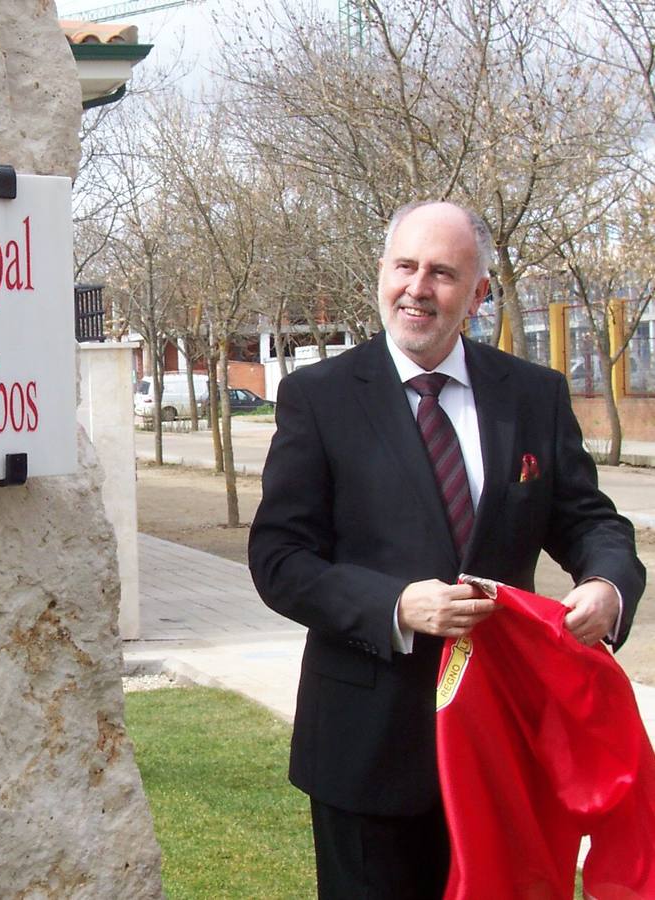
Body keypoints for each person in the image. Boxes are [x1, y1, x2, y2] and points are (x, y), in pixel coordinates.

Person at [248, 200, 645, 899]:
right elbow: (281, 560)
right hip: (367, 750)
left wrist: (606, 586)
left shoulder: (533, 395)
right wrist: (395, 605)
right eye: (405, 266)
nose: (418, 288)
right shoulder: (320, 397)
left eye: (442, 273)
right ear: (381, 272)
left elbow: (592, 524)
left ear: (479, 293)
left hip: (504, 744)